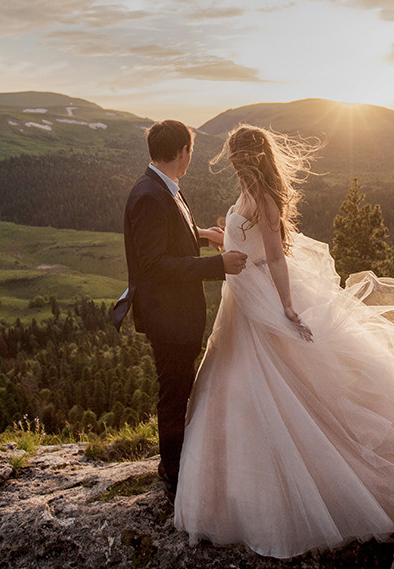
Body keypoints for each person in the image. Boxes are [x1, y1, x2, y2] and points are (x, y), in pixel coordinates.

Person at [174, 124, 394, 558]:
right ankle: (242, 487)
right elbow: (245, 238)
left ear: (245, 159)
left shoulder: (267, 199)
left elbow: (274, 256)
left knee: (278, 385)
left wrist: (288, 307)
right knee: (235, 386)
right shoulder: (248, 194)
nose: (231, 162)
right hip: (240, 297)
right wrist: (208, 237)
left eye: (235, 155)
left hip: (260, 296)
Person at [121, 119, 248, 501]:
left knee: (181, 387)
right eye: (190, 150)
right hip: (167, 316)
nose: (190, 156)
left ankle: (178, 466)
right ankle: (173, 475)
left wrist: (203, 235)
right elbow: (154, 264)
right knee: (174, 392)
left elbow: (169, 235)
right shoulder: (149, 194)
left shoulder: (162, 187)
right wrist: (217, 267)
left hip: (177, 314)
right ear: (183, 152)